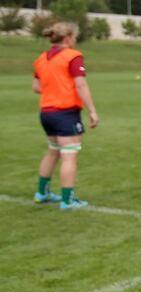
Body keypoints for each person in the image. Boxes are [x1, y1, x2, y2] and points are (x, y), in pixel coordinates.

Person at [32, 22, 99, 210]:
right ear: (68, 38)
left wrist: (54, 87)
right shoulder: (73, 56)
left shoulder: (41, 59)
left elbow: (36, 87)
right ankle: (67, 201)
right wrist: (92, 110)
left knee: (53, 151)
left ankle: (41, 193)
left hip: (46, 113)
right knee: (69, 156)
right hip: (65, 113)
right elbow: (81, 85)